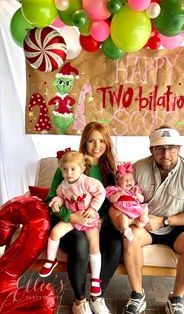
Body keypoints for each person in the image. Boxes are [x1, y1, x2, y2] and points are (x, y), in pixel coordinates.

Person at [110, 126, 184, 314]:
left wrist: (164, 221)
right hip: (143, 223)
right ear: (151, 150)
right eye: (159, 148)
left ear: (179, 149)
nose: (166, 154)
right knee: (130, 239)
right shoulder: (137, 168)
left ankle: (176, 298)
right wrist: (121, 218)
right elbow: (120, 198)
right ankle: (138, 294)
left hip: (178, 224)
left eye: (171, 148)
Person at [45, 122, 123, 314]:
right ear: (84, 142)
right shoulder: (69, 165)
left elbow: (111, 200)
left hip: (97, 221)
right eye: (91, 141)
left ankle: (97, 295)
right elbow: (52, 198)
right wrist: (71, 216)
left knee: (116, 244)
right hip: (69, 221)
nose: (97, 146)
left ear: (107, 143)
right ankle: (79, 301)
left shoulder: (110, 168)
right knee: (80, 244)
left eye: (101, 141)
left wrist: (101, 219)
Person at [40, 151, 106, 297]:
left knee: (94, 247)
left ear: (82, 168)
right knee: (55, 233)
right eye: (64, 169)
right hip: (72, 218)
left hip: (88, 218)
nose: (68, 173)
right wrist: (56, 202)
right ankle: (51, 260)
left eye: (72, 169)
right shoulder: (63, 186)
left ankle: (95, 279)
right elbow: (59, 197)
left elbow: (101, 193)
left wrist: (92, 208)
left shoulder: (88, 181)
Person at [106, 162, 149, 241]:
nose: (129, 182)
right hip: (124, 210)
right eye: (125, 180)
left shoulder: (135, 189)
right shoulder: (116, 189)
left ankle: (142, 220)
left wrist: (137, 194)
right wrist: (118, 194)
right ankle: (126, 230)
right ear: (117, 182)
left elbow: (142, 200)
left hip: (134, 209)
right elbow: (112, 199)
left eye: (131, 180)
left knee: (145, 208)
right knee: (122, 218)